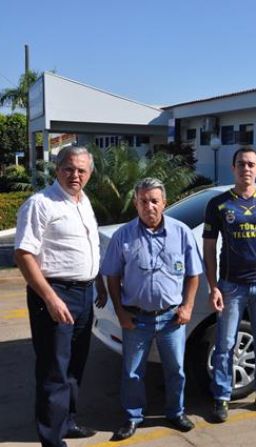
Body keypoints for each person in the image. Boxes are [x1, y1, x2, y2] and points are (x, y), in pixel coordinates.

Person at [14, 146, 104, 447]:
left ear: (89, 174)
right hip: (55, 294)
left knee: (75, 367)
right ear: (57, 169)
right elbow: (24, 254)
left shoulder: (84, 201)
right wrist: (51, 299)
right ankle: (51, 439)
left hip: (84, 293)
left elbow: (91, 247)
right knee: (54, 370)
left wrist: (99, 283)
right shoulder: (40, 204)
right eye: (69, 168)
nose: (75, 175)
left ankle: (66, 422)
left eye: (81, 170)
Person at [100, 178, 202, 440]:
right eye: (143, 201)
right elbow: (111, 276)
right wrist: (121, 312)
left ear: (164, 203)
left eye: (154, 201)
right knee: (132, 372)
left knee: (176, 369)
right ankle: (133, 416)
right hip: (136, 319)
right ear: (136, 203)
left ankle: (175, 412)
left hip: (171, 319)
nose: (149, 206)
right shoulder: (123, 235)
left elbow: (193, 274)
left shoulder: (181, 233)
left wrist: (188, 306)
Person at [203, 146, 256, 423]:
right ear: (233, 168)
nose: (246, 169)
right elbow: (208, 247)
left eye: (251, 164)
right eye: (241, 164)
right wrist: (213, 285)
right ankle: (222, 397)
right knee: (225, 343)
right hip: (231, 286)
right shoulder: (219, 204)